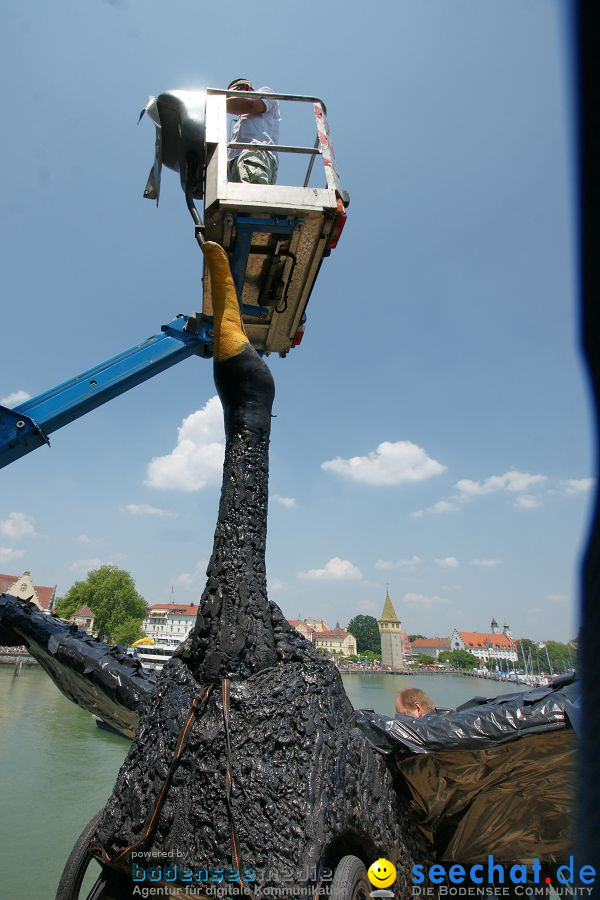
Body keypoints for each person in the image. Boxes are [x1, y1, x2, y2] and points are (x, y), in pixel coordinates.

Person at [226, 77, 280, 185]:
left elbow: (251, 104)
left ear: (245, 88)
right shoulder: (240, 121)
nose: (229, 100)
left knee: (251, 194)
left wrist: (214, 103)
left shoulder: (265, 93)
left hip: (254, 153)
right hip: (235, 164)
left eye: (229, 95)